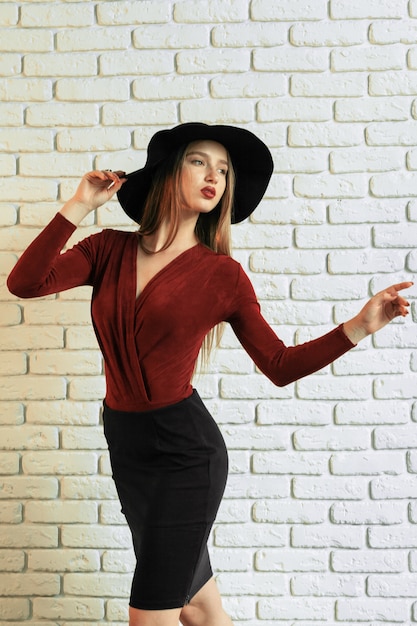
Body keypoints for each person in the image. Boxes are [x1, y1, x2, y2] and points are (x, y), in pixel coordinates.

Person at [7, 122, 412, 626]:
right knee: (200, 606)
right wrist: (80, 205)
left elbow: (279, 366)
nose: (214, 176)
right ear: (168, 171)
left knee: (149, 615)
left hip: (187, 455)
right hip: (127, 443)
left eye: (223, 169)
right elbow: (24, 283)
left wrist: (359, 326)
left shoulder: (222, 275)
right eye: (200, 161)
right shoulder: (106, 249)